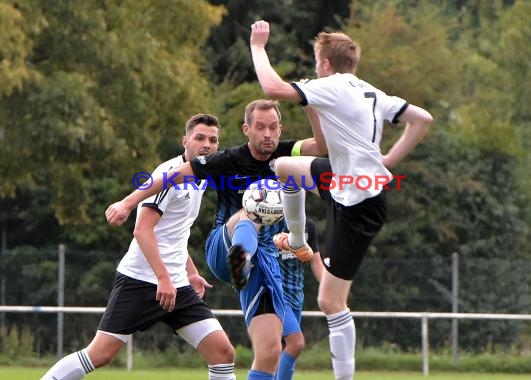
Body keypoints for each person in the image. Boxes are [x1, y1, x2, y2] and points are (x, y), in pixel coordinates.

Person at [249, 20, 434, 380]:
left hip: (358, 205)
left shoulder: (330, 86)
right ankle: (298, 242)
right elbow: (421, 119)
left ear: (326, 64)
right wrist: (389, 161)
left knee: (330, 302)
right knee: (284, 166)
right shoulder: (371, 91)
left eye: (318, 61)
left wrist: (258, 46)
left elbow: (270, 86)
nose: (317, 68)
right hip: (346, 183)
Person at [105, 99, 325, 380]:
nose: (267, 134)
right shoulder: (228, 159)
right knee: (250, 212)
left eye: (272, 127)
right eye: (260, 127)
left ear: (280, 129)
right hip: (223, 248)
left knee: (270, 351)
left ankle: (247, 260)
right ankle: (241, 256)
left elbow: (320, 146)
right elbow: (171, 177)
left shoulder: (286, 154)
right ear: (247, 129)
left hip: (263, 261)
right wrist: (127, 202)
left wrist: (311, 107)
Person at [41, 114, 237, 380]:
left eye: (213, 140)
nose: (207, 144)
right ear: (185, 141)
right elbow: (142, 230)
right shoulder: (169, 176)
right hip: (142, 280)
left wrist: (189, 272)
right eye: (199, 138)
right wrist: (163, 278)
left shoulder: (201, 176)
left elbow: (173, 233)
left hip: (176, 284)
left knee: (222, 353)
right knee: (99, 355)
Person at [274, 217, 323, 380]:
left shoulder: (308, 225)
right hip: (276, 294)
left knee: (278, 350)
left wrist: (329, 288)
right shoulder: (271, 222)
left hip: (296, 296)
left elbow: (316, 261)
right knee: (296, 343)